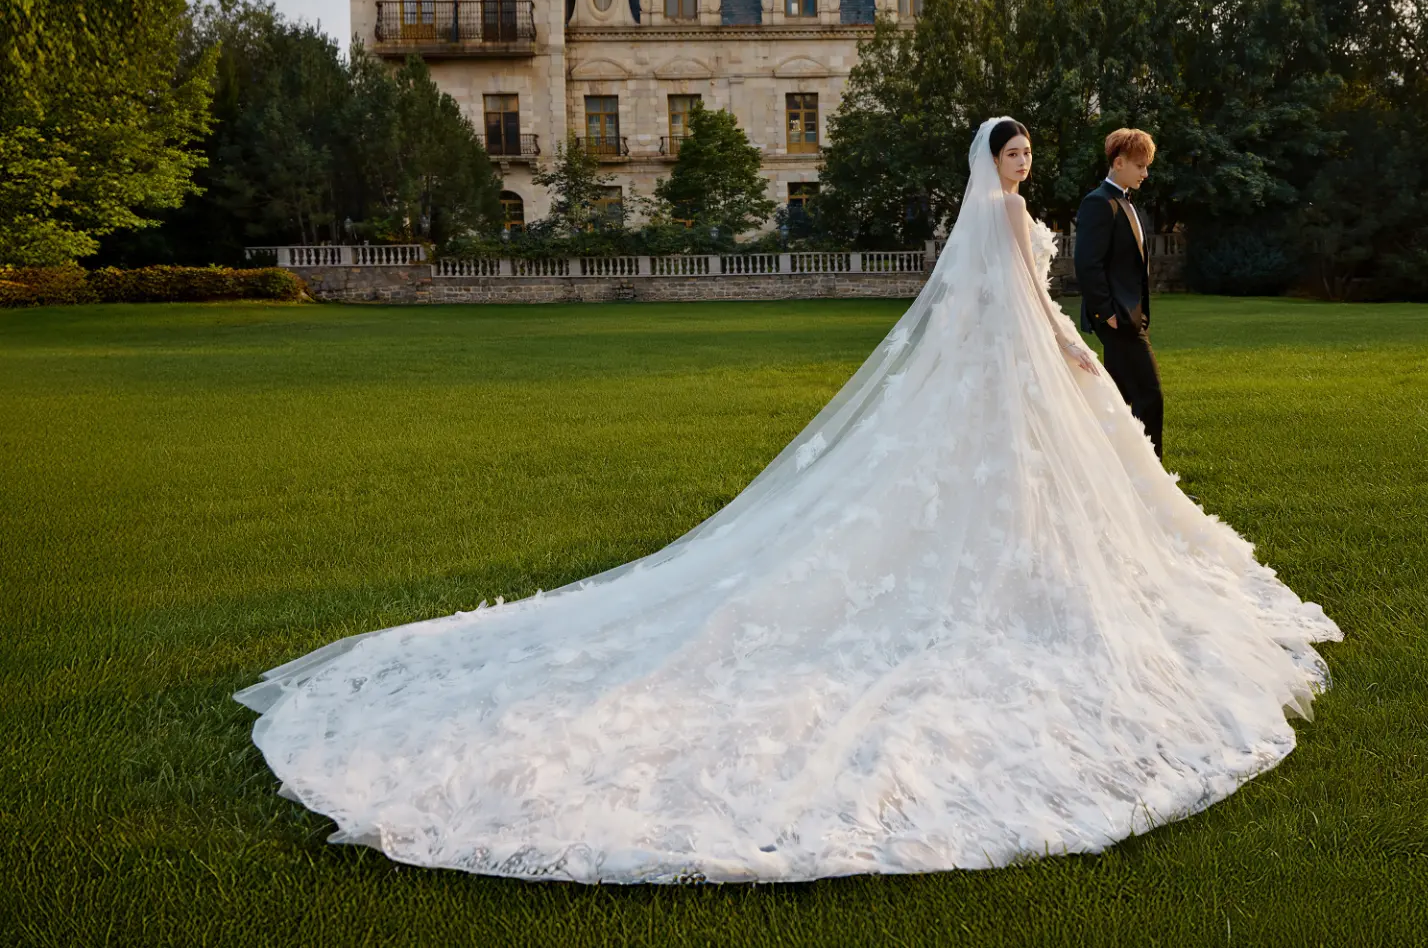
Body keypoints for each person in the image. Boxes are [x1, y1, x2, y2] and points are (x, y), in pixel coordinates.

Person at [235, 117, 1338, 885]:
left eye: (1028, 150)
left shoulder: (996, 215)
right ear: (989, 162)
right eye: (1013, 151)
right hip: (1015, 376)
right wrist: (1072, 352)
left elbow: (997, 311)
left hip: (1011, 376)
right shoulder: (1002, 220)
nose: (1023, 161)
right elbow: (1019, 307)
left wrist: (1065, 351)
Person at [1074, 128, 1163, 458]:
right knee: (1149, 397)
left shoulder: (1123, 201)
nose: (1145, 173)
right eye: (1140, 166)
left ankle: (1121, 479)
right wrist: (1106, 313)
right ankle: (1156, 487)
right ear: (1119, 162)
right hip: (1118, 320)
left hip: (1130, 317)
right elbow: (1087, 264)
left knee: (1117, 401)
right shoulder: (1099, 203)